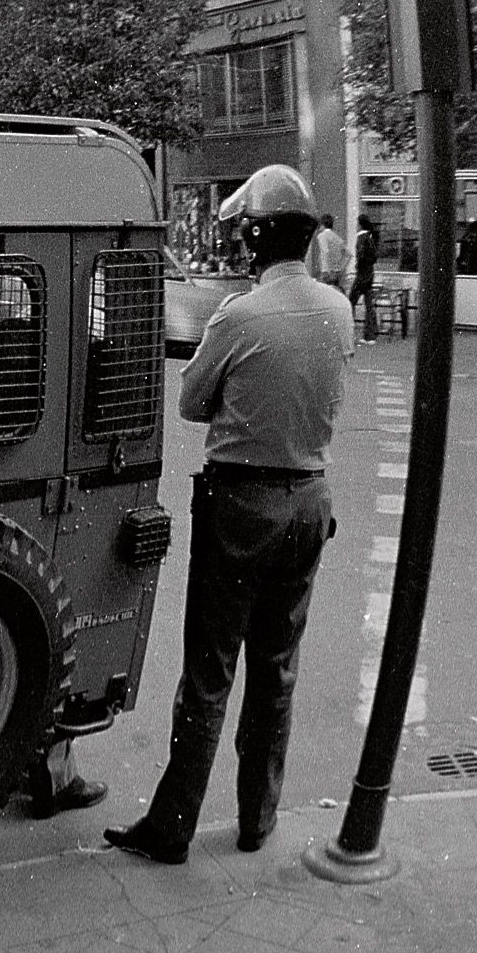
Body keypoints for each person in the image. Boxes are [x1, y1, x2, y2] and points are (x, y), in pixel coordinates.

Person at [104, 164, 355, 866]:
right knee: (277, 668)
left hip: (241, 502)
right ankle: (257, 817)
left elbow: (191, 402)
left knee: (210, 672)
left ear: (257, 237)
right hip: (310, 498)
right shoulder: (338, 309)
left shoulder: (240, 315)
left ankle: (173, 825)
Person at [347, 214, 380, 341]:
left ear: (360, 225)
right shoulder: (370, 237)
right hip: (370, 274)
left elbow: (360, 255)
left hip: (361, 275)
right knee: (369, 305)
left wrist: (358, 265)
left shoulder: (361, 237)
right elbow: (374, 257)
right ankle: (370, 335)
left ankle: (348, 331)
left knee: (351, 302)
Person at [310, 213, 347, 290]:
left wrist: (326, 270)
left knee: (323, 293)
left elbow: (325, 251)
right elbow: (347, 254)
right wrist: (341, 267)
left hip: (327, 271)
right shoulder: (337, 238)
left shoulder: (322, 236)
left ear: (322, 225)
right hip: (337, 271)